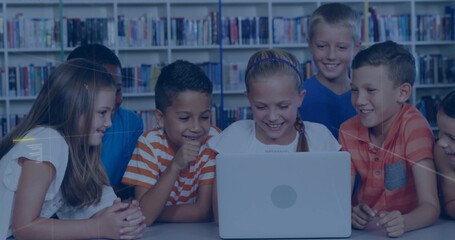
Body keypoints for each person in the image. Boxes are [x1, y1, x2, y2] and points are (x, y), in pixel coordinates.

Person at [0, 59, 145, 239]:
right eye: (102, 113)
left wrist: (124, 216)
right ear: (75, 107)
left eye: (111, 113)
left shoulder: (78, 149)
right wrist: (99, 227)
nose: (108, 123)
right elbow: (24, 228)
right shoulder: (48, 139)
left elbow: (100, 211)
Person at [208, 49, 341, 222]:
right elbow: (221, 216)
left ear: (300, 98)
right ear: (248, 99)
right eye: (261, 107)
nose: (272, 117)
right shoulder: (235, 137)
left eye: (283, 106)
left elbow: (332, 206)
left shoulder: (319, 138)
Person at [339, 40, 440, 237]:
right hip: (364, 232)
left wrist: (404, 222)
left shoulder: (414, 128)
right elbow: (341, 198)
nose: (359, 100)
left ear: (402, 93)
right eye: (354, 90)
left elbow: (430, 207)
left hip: (408, 232)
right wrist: (351, 212)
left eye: (371, 90)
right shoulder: (347, 130)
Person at [121, 60, 220, 226]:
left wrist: (152, 211)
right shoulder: (149, 144)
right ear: (160, 118)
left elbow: (203, 212)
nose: (196, 128)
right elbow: (145, 214)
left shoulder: (213, 141)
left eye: (204, 117)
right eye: (184, 118)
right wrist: (175, 166)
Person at [67, 44, 144, 200]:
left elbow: (135, 186)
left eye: (119, 89)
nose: (118, 99)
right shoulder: (52, 136)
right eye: (106, 90)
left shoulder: (131, 124)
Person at [299, 2, 361, 139]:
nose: (331, 56)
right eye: (322, 46)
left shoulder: (365, 98)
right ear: (310, 45)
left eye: (341, 47)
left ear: (356, 48)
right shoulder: (298, 98)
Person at [434, 90, 455, 219]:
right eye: (440, 132)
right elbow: (451, 202)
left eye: (453, 138)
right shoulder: (442, 153)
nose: (441, 142)